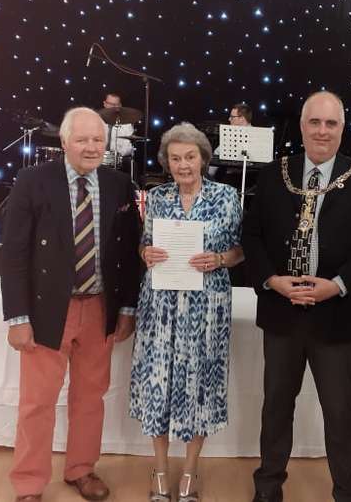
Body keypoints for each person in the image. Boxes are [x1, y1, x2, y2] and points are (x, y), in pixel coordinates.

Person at [243, 91, 351, 502]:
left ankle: (349, 494)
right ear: (302, 127)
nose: (322, 131)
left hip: (336, 318)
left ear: (343, 129)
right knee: (276, 409)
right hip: (281, 314)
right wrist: (272, 279)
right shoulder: (274, 174)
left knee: (341, 414)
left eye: (332, 124)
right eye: (315, 122)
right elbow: (251, 235)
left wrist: (339, 284)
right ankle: (268, 489)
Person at [1, 106, 141, 502]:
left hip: (99, 309)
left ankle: (81, 469)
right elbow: (13, 253)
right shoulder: (32, 180)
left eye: (98, 139)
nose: (92, 147)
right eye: (82, 139)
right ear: (64, 142)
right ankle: (29, 483)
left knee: (90, 398)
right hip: (47, 310)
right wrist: (17, 316)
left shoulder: (118, 185)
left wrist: (127, 308)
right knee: (37, 402)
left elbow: (128, 254)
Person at [130, 122, 244, 502]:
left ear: (203, 158)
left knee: (201, 389)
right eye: (175, 158)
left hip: (207, 308)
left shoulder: (227, 197)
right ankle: (161, 469)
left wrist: (220, 258)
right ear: (167, 162)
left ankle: (191, 471)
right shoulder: (157, 197)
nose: (183, 165)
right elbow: (144, 246)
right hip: (160, 310)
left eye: (190, 157)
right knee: (157, 387)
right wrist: (145, 253)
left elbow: (240, 252)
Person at [102, 92, 135, 167]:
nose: (113, 107)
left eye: (115, 105)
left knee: (130, 164)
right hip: (98, 158)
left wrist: (113, 156)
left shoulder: (127, 124)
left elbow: (128, 148)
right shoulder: (96, 121)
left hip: (118, 159)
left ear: (120, 106)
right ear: (105, 104)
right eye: (110, 104)